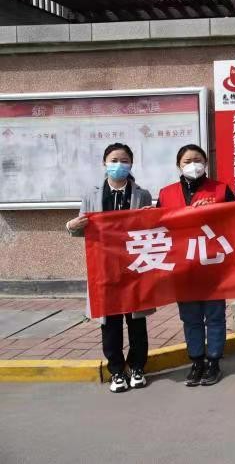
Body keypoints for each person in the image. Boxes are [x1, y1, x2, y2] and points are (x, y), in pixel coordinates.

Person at [66, 143, 154, 393]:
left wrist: (151, 217)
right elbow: (83, 230)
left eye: (124, 160)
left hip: (134, 268)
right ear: (104, 163)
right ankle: (116, 370)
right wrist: (71, 226)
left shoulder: (142, 194)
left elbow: (151, 230)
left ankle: (137, 367)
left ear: (131, 164)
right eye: (114, 160)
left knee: (136, 322)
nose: (119, 165)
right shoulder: (91, 195)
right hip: (104, 268)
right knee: (110, 323)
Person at [157, 144, 235, 387]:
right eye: (187, 161)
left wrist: (214, 212)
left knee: (214, 316)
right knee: (190, 317)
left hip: (213, 265)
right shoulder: (166, 193)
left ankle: (214, 361)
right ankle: (197, 361)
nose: (193, 165)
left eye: (198, 160)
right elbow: (160, 227)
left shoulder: (221, 190)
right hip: (183, 266)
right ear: (178, 165)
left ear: (206, 163)